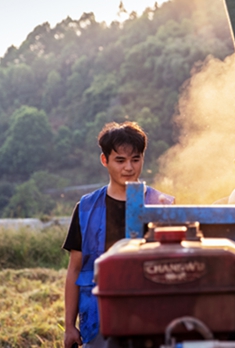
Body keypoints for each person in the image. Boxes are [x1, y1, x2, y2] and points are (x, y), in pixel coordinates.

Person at [62, 122, 174, 348]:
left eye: (135, 159)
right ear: (105, 160)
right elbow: (75, 268)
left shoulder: (162, 205)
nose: (129, 168)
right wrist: (69, 326)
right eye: (120, 160)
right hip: (98, 321)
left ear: (143, 158)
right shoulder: (85, 209)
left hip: (152, 320)